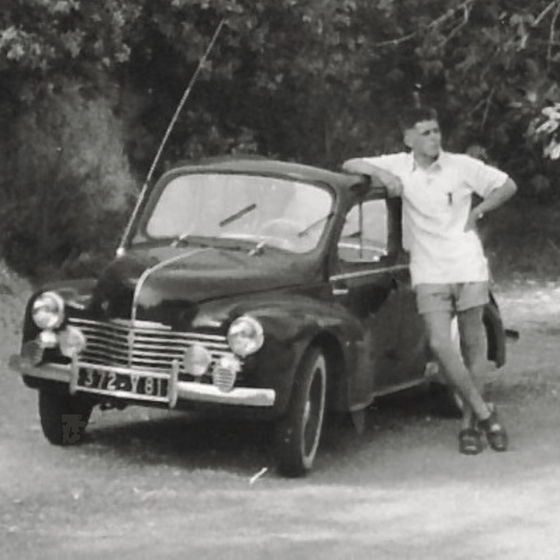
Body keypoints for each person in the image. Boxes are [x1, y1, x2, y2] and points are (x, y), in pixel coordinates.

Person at [342, 106, 517, 455]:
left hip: (467, 265)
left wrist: (480, 211)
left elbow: (507, 184)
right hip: (430, 270)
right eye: (425, 132)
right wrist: (382, 174)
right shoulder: (399, 166)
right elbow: (350, 164)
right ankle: (486, 414)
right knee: (438, 344)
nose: (434, 138)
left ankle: (468, 426)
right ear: (409, 139)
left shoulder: (461, 166)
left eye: (436, 131)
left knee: (472, 345)